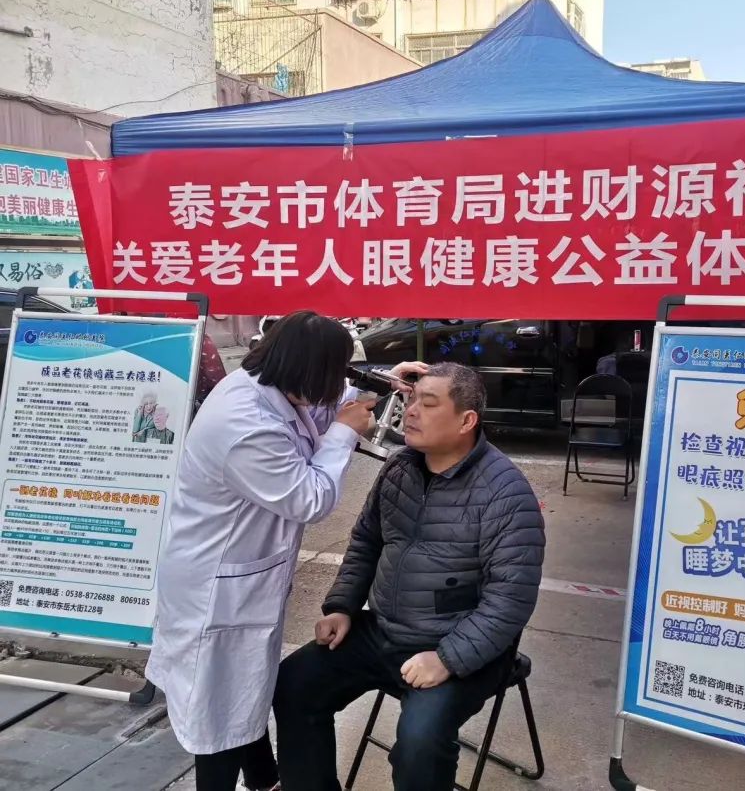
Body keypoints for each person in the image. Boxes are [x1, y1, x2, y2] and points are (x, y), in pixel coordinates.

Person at [146, 310, 426, 791]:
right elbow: (309, 499)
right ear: (307, 369)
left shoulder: (273, 385)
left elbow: (323, 407)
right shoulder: (243, 424)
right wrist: (344, 433)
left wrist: (382, 381)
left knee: (243, 692)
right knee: (220, 711)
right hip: (216, 589)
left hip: (243, 576)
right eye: (333, 372)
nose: (337, 385)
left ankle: (264, 779)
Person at [273, 362, 546, 791]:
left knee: (420, 743)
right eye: (412, 400)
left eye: (428, 404)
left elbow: (510, 599)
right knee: (293, 684)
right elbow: (367, 541)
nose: (411, 411)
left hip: (459, 647)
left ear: (466, 421)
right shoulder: (400, 467)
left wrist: (448, 659)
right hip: (384, 632)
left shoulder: (506, 493)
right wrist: (342, 606)